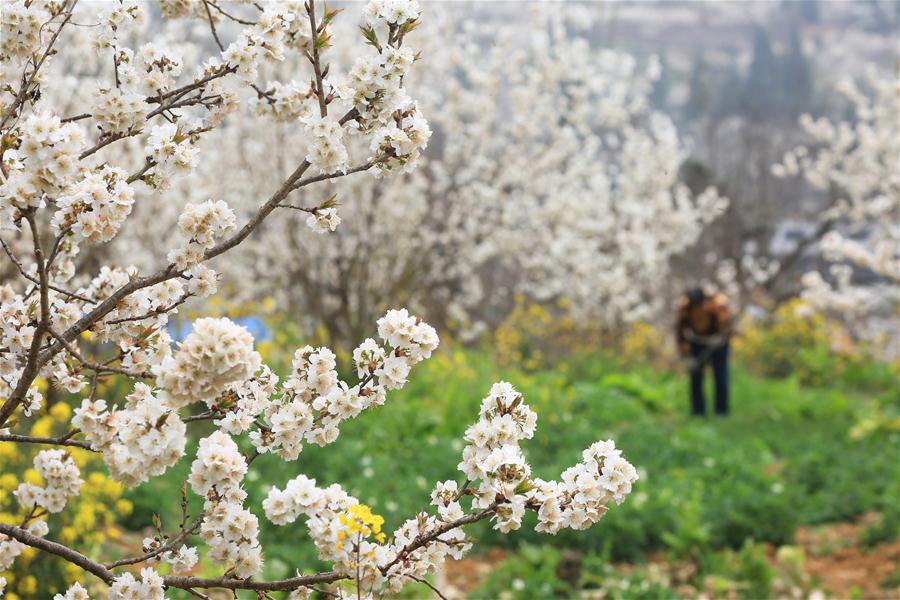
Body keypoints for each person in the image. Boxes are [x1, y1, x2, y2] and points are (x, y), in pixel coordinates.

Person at [675, 286, 732, 416]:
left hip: (718, 343)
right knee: (695, 378)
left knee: (720, 376)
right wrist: (686, 355)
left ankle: (721, 412)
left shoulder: (718, 304)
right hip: (696, 343)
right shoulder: (684, 308)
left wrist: (721, 338)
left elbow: (727, 326)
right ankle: (698, 412)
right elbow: (680, 332)